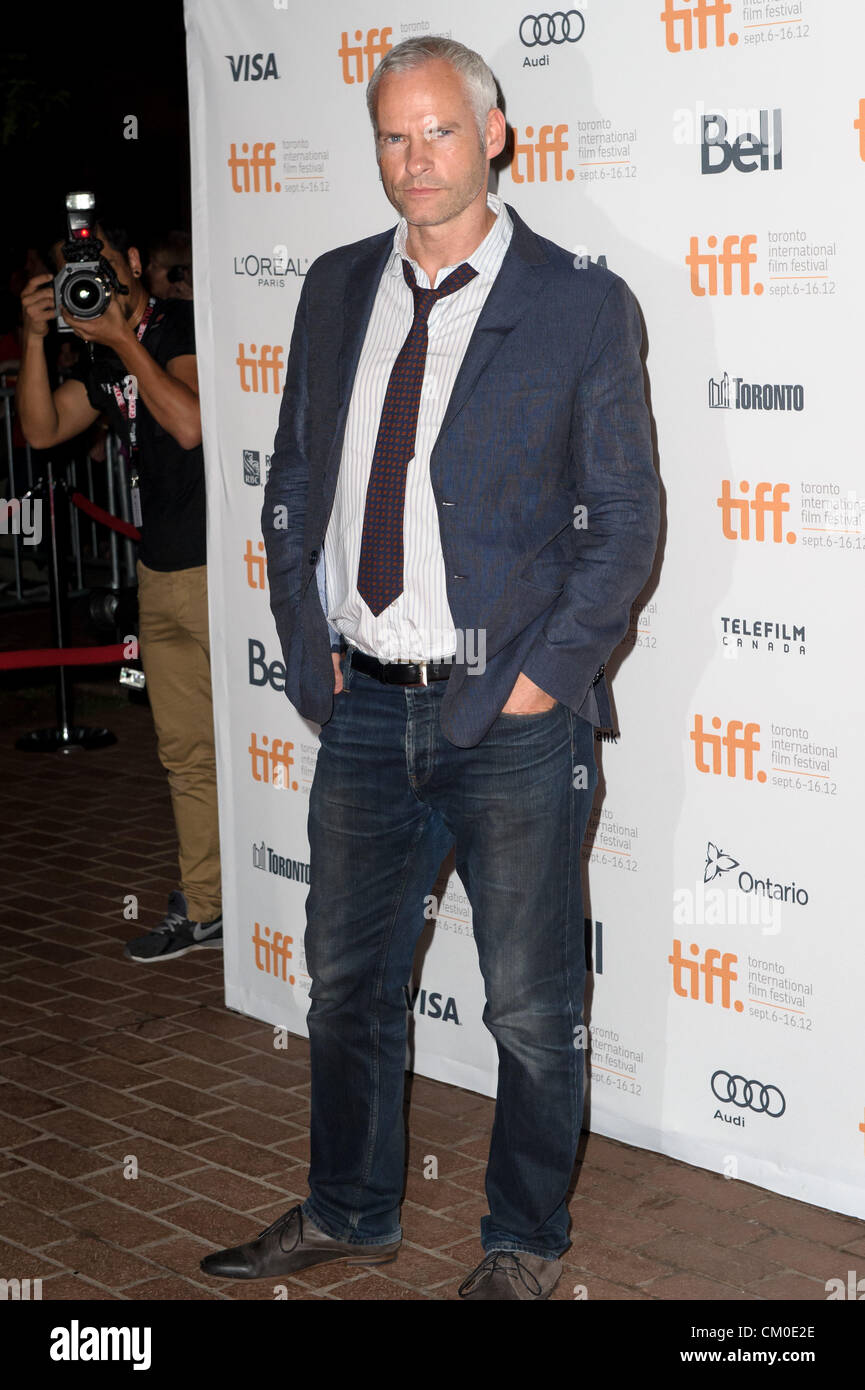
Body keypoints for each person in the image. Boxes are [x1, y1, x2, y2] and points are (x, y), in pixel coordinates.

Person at [202, 36, 659, 1301]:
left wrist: (536, 683)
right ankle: (350, 1209)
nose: (416, 162)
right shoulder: (338, 286)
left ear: (496, 134)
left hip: (511, 716)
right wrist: (307, 643)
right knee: (348, 986)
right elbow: (295, 477)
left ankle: (521, 1241)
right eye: (394, 138)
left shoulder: (577, 303)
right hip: (361, 706)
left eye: (440, 133)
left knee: (526, 1002)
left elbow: (623, 525)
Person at [15, 217, 222, 962]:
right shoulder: (101, 357)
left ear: (131, 262)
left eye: (100, 262)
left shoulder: (181, 326)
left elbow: (192, 424)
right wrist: (37, 338)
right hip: (157, 572)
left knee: (247, 746)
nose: (91, 280)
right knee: (184, 753)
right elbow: (42, 431)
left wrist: (123, 340)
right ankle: (206, 906)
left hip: (222, 569)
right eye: (77, 271)